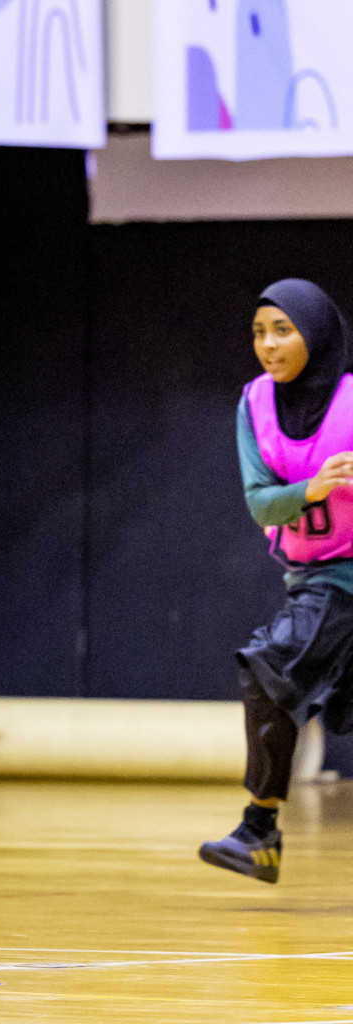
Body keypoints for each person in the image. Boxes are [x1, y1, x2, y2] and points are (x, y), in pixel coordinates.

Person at [200, 278, 353, 884]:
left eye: (282, 330)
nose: (268, 344)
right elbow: (262, 504)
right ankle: (259, 833)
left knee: (268, 665)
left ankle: (258, 828)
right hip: (311, 576)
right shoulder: (254, 403)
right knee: (271, 675)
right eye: (259, 331)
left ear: (314, 335)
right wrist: (313, 487)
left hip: (344, 577)